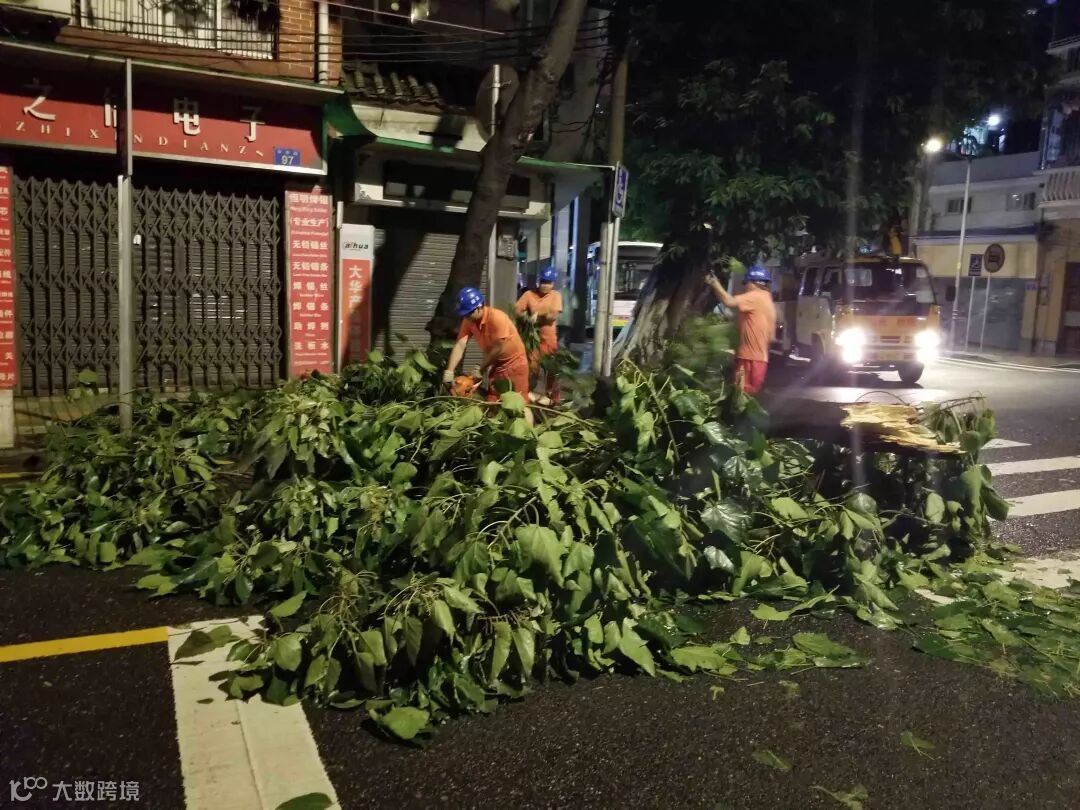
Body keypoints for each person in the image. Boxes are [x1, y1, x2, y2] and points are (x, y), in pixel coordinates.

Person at [443, 286, 533, 424]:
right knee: (494, 403)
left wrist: (481, 368)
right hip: (496, 365)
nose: (466, 317)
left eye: (468, 313)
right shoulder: (469, 320)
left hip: (515, 363)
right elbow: (461, 344)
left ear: (479, 307)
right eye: (464, 314)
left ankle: (528, 433)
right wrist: (449, 370)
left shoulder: (497, 318)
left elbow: (499, 348)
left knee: (519, 404)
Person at [704, 263, 776, 395]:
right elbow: (770, 336)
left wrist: (714, 282)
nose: (745, 287)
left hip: (748, 358)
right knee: (749, 396)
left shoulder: (754, 296)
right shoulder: (767, 300)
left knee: (738, 395)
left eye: (746, 283)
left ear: (753, 283)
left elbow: (729, 301)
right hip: (762, 360)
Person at [514, 266, 564, 403]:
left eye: (548, 282)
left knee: (551, 369)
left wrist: (538, 315)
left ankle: (553, 399)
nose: (545, 285)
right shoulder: (529, 295)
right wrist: (526, 317)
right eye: (543, 282)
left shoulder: (556, 296)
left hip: (549, 340)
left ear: (553, 283)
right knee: (532, 368)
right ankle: (527, 394)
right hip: (533, 340)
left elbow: (553, 315)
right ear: (539, 281)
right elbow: (517, 310)